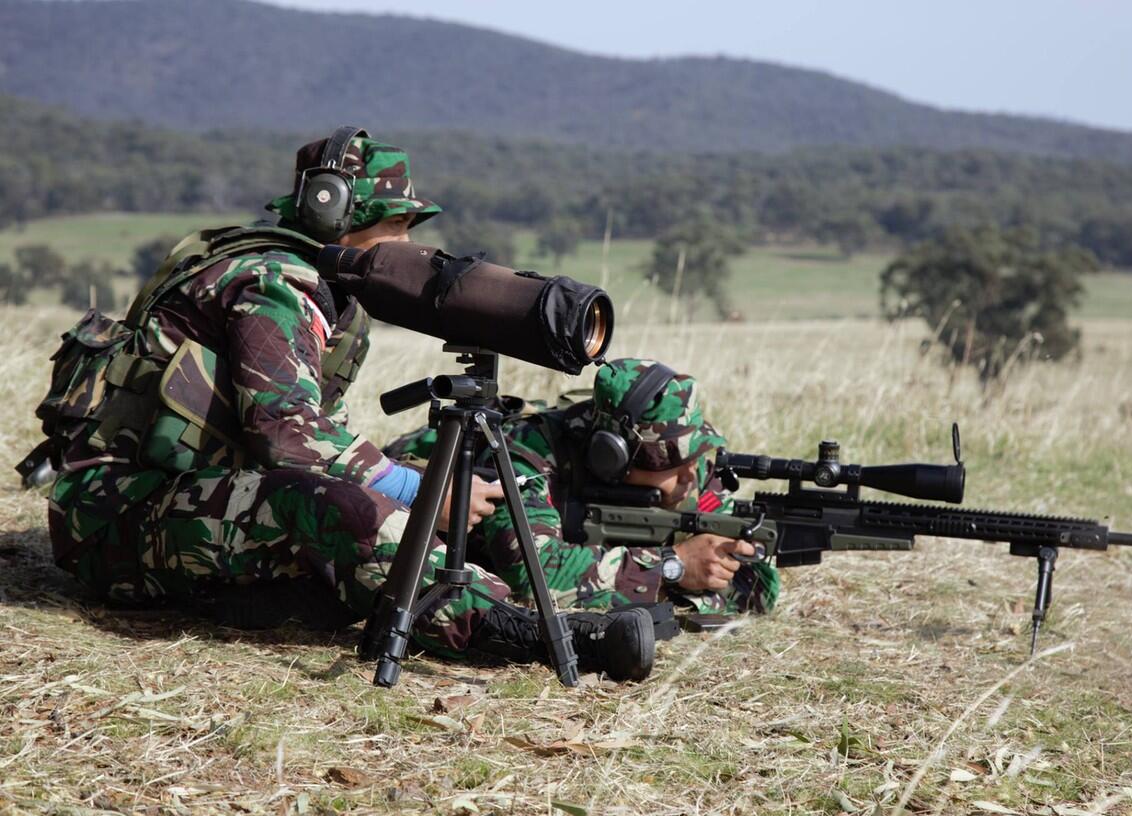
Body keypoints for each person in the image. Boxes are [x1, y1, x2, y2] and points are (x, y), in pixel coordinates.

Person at [29, 127, 655, 682]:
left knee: (433, 492)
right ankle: (528, 632)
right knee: (346, 508)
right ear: (332, 215)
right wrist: (410, 491)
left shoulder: (317, 288)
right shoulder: (273, 282)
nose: (408, 249)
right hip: (115, 520)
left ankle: (576, 591)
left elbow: (297, 437)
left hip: (177, 501)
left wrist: (414, 489)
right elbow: (286, 435)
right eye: (396, 229)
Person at [384, 358, 781, 617]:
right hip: (408, 492)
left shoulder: (694, 460)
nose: (689, 477)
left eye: (695, 456)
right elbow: (537, 576)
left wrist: (702, 570)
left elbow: (755, 586)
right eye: (668, 463)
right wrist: (671, 567)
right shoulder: (525, 455)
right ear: (613, 454)